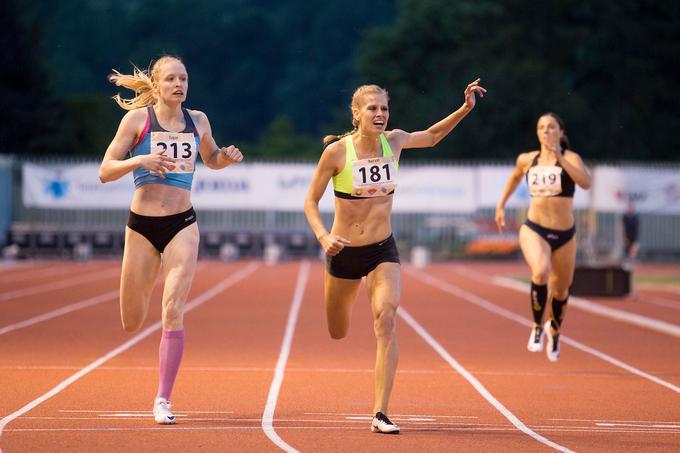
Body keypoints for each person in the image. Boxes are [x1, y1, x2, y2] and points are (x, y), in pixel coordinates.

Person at [304, 79, 486, 433]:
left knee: (385, 318)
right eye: (372, 108)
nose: (380, 114)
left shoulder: (396, 141)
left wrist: (464, 108)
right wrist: (324, 236)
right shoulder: (337, 152)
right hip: (343, 252)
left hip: (382, 249)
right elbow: (310, 200)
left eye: (384, 108)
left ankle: (380, 412)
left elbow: (431, 137)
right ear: (356, 114)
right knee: (337, 331)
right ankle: (343, 301)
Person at [99, 56, 243, 424]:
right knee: (132, 320)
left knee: (172, 308)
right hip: (141, 227)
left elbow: (210, 158)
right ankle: (160, 384)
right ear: (157, 85)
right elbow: (105, 171)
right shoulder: (137, 121)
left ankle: (163, 398)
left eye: (184, 78)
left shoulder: (199, 121)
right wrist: (139, 161)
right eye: (171, 79)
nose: (179, 84)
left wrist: (225, 158)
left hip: (182, 223)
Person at [495, 113, 591, 362]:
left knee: (561, 290)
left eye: (551, 127)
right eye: (541, 128)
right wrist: (501, 206)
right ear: (537, 133)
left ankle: (554, 331)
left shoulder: (570, 158)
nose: (546, 131)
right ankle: (538, 326)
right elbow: (515, 176)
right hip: (534, 228)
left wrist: (560, 157)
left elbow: (586, 182)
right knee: (540, 271)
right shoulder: (528, 159)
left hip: (565, 235)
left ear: (561, 132)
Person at [622, 200, 640, 265]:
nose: (630, 209)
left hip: (634, 235)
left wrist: (637, 236)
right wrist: (623, 236)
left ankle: (632, 260)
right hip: (627, 236)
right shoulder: (625, 217)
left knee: (634, 248)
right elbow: (622, 227)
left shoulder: (636, 217)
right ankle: (628, 260)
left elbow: (638, 227)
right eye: (629, 207)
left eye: (632, 207)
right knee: (627, 249)